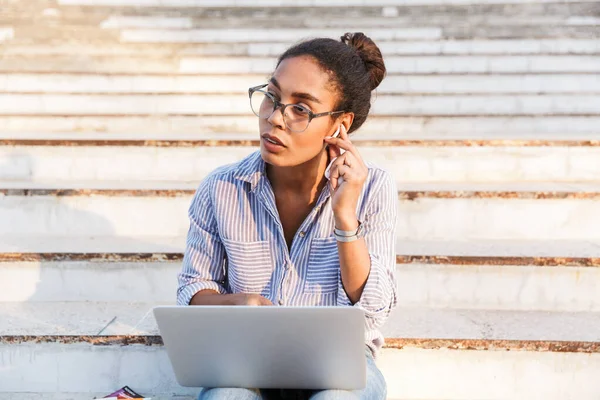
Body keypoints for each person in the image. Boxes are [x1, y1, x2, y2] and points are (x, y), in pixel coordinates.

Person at [177, 32, 398, 400]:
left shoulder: (373, 188)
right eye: (272, 97)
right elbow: (192, 290)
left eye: (301, 109)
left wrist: (345, 218)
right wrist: (238, 302)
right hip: (245, 357)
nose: (275, 118)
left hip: (336, 365)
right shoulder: (221, 187)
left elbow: (373, 308)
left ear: (339, 124)